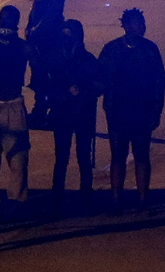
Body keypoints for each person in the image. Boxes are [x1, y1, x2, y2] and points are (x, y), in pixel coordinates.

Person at [99, 9, 165, 213]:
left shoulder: (150, 50)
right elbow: (100, 76)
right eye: (138, 23)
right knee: (117, 155)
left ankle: (142, 198)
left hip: (142, 111)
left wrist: (156, 111)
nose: (143, 27)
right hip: (118, 111)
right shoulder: (112, 49)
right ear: (127, 26)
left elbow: (159, 82)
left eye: (142, 23)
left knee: (141, 155)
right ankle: (116, 198)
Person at [0, 8, 30, 218]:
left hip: (1, 104)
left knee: (10, 159)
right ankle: (9, 201)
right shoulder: (22, 47)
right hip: (4, 104)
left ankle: (5, 202)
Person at [51, 19, 101, 213]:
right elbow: (48, 86)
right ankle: (57, 199)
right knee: (61, 158)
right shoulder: (56, 59)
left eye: (70, 33)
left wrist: (83, 91)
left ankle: (86, 197)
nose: (67, 37)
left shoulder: (88, 59)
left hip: (83, 113)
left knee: (84, 157)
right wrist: (65, 93)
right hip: (63, 113)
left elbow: (99, 84)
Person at [26, 0, 69, 127]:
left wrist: (37, 30)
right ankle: (41, 108)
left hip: (49, 35)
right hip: (38, 33)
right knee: (39, 72)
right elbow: (36, 6)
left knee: (49, 73)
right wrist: (29, 26)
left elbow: (53, 10)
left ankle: (50, 111)